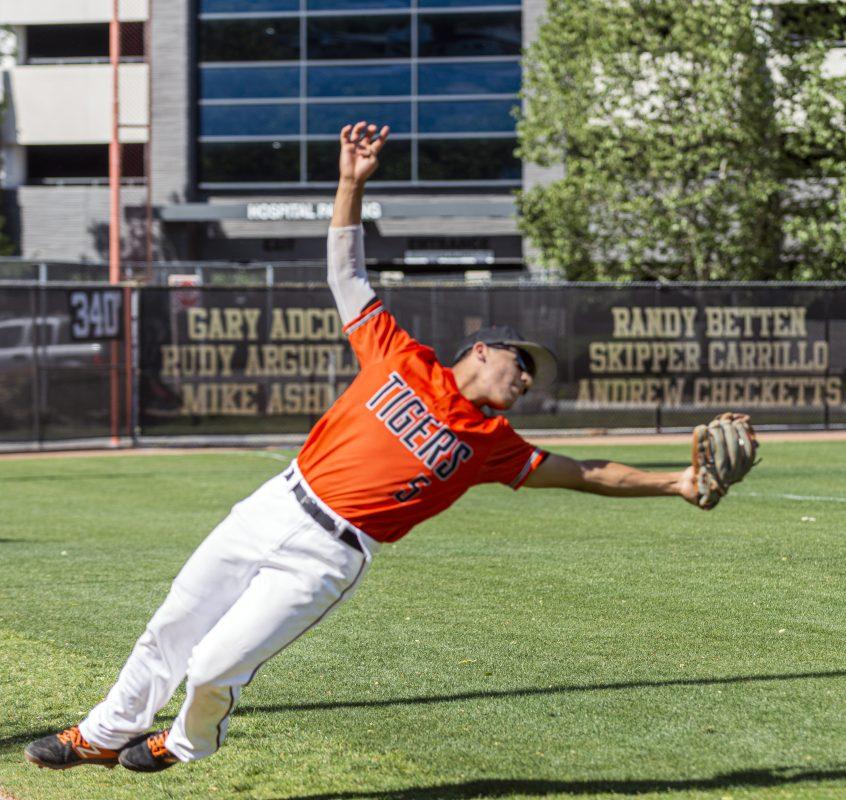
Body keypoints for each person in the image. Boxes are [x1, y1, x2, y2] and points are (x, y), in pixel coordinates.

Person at [24, 121, 731, 773]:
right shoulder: (401, 357)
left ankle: (187, 741)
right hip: (273, 505)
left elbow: (588, 472)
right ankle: (102, 733)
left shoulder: (493, 443)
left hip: (331, 555)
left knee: (212, 665)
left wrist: (677, 482)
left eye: (534, 377)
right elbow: (347, 276)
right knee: (170, 627)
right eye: (523, 363)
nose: (528, 379)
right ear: (481, 350)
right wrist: (352, 183)